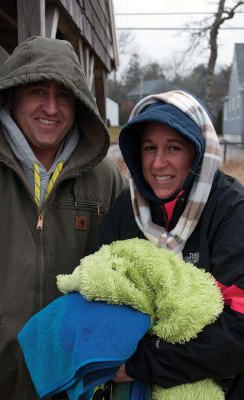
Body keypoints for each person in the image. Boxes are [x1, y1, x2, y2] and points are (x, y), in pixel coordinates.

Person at [0, 36, 124, 400]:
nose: (51, 106)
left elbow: (126, 271)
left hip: (74, 383)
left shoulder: (106, 178)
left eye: (63, 95)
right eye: (37, 91)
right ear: (11, 97)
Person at [98, 90, 244, 399]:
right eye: (149, 148)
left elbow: (237, 332)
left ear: (197, 152)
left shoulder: (231, 211)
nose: (158, 163)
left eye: (173, 148)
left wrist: (140, 363)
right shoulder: (126, 209)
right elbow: (98, 295)